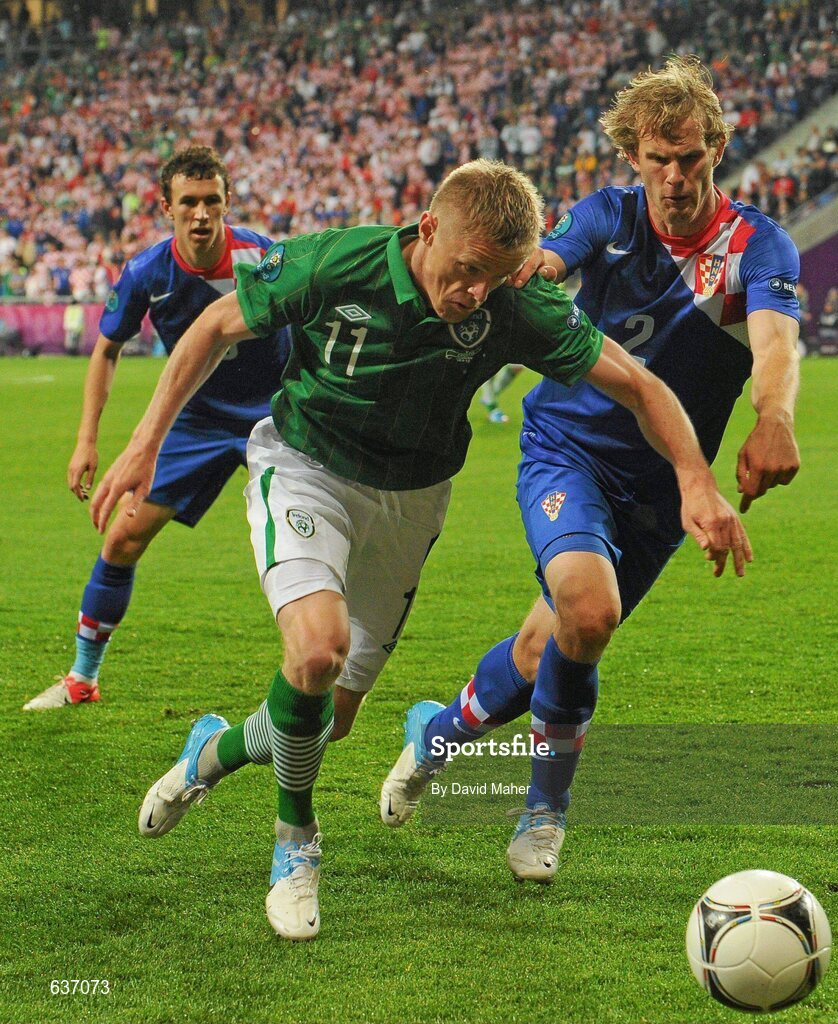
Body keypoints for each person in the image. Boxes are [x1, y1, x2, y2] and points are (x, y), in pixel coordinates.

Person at [88, 159, 750, 941]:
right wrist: (142, 443)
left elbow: (638, 384)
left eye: (493, 279)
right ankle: (295, 845)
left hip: (409, 502)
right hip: (305, 469)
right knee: (314, 654)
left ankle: (214, 750)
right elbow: (213, 325)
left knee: (324, 720)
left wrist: (696, 481)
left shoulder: (512, 300)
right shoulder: (338, 261)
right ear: (428, 230)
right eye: (466, 271)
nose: (474, 293)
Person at [380, 56, 801, 885]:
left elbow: (774, 345)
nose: (675, 177)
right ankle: (543, 815)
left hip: (664, 485)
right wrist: (530, 269)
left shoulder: (757, 244)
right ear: (632, 157)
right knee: (587, 606)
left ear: (717, 146)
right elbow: (552, 258)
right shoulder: (606, 217)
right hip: (566, 450)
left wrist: (773, 418)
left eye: (690, 157)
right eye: (658, 158)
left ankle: (433, 735)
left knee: (551, 646)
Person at [24, 146, 291, 711]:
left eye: (211, 201)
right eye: (188, 202)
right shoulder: (148, 272)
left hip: (276, 413)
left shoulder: (263, 257)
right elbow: (107, 350)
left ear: (226, 203)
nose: (201, 213)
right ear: (166, 206)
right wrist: (86, 440)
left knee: (314, 540)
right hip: (193, 419)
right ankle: (82, 680)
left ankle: (325, 673)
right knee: (121, 538)